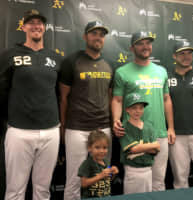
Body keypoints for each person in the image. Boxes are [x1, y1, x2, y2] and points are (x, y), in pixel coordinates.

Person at [0, 9, 61, 200]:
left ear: (44, 27)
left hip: (51, 131)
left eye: (40, 23)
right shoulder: (9, 55)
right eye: (31, 22)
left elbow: (60, 94)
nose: (36, 26)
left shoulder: (55, 58)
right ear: (24, 26)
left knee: (42, 191)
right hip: (19, 131)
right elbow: (2, 91)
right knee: (15, 190)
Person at [112, 32, 175, 191]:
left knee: (158, 183)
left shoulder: (161, 71)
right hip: (135, 136)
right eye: (141, 43)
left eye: (148, 43)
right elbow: (117, 100)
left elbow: (166, 99)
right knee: (137, 184)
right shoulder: (122, 72)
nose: (145, 46)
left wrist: (171, 127)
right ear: (132, 48)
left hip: (159, 134)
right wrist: (115, 120)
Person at [59, 21, 113, 200]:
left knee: (103, 178)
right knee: (74, 179)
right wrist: (63, 127)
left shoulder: (110, 64)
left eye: (101, 34)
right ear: (85, 37)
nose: (98, 37)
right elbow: (64, 97)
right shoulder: (71, 61)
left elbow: (111, 98)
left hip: (103, 128)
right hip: (77, 128)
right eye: (94, 33)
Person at [168, 40, 193, 188]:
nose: (186, 56)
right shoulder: (166, 77)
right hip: (177, 135)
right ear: (174, 56)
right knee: (180, 180)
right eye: (182, 53)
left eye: (189, 53)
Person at [119, 93, 160, 194]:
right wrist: (154, 145)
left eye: (140, 108)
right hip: (132, 171)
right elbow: (133, 149)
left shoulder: (149, 127)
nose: (137, 111)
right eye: (134, 108)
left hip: (148, 170)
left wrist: (141, 147)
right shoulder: (123, 127)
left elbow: (156, 150)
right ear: (127, 109)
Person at [78, 130, 119, 198]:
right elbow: (83, 183)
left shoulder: (106, 162)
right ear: (89, 148)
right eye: (97, 147)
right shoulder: (87, 164)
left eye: (104, 148)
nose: (101, 151)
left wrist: (113, 173)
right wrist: (100, 176)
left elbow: (108, 179)